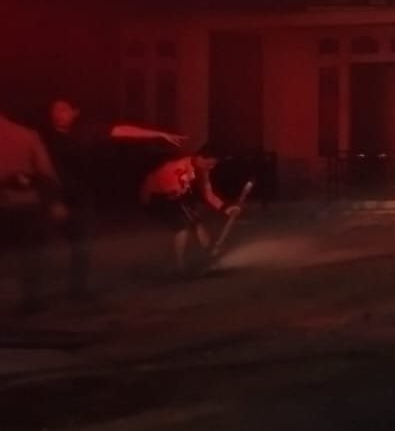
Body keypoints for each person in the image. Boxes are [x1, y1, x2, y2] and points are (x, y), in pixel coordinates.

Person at [39, 97, 185, 297]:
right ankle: (34, 291)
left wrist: (157, 133)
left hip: (81, 196)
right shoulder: (42, 137)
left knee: (82, 242)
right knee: (41, 244)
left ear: (75, 112)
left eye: (63, 109)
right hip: (51, 195)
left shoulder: (86, 132)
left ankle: (77, 289)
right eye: (54, 109)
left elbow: (122, 130)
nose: (57, 113)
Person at [1, 109, 64, 315]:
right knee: (29, 255)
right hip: (25, 203)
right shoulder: (27, 135)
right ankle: (31, 301)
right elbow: (46, 174)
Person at [139, 147, 238, 277]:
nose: (212, 167)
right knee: (184, 227)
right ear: (200, 158)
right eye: (209, 163)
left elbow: (207, 193)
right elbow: (175, 194)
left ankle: (211, 252)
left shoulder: (202, 169)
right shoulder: (180, 169)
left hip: (176, 195)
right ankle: (180, 267)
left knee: (194, 221)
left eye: (214, 164)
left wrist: (225, 208)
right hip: (155, 197)